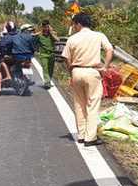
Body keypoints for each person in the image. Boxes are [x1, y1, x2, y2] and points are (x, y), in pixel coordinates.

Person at [61, 13, 114, 146]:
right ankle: (90, 137)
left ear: (78, 24)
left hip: (77, 71)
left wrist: (71, 73)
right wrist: (105, 67)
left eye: (74, 25)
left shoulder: (72, 39)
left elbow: (67, 58)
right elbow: (110, 50)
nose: (74, 27)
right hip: (92, 71)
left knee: (79, 104)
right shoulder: (98, 35)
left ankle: (82, 135)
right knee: (93, 104)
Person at [0, 23, 37, 93]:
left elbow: (2, 45)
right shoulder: (25, 37)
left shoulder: (10, 37)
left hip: (14, 56)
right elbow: (33, 48)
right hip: (27, 57)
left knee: (1, 64)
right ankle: (25, 83)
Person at [34, 20, 60, 89]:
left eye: (48, 27)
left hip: (52, 54)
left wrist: (52, 34)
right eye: (45, 27)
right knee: (45, 68)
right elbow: (35, 43)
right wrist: (37, 51)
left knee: (51, 69)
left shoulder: (52, 34)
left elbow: (58, 40)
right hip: (44, 54)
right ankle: (47, 82)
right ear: (42, 27)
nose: (46, 28)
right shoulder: (39, 35)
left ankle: (49, 80)